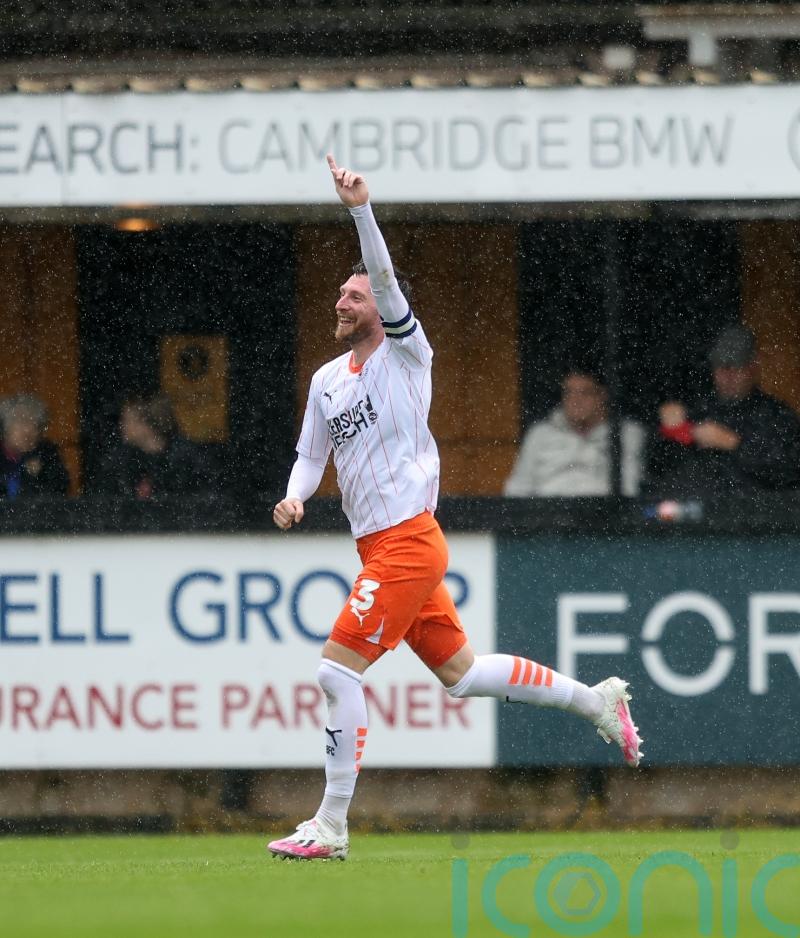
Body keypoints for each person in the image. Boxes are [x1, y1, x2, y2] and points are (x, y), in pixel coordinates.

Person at [267, 156, 642, 862]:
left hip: (409, 538)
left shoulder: (408, 356)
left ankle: (332, 824)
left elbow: (382, 277)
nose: (341, 303)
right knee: (462, 675)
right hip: (380, 548)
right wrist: (294, 494)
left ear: (379, 306)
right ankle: (594, 701)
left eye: (352, 296)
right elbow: (312, 455)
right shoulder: (325, 381)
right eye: (340, 294)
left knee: (335, 671)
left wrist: (360, 209)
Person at [646, 324, 800, 496]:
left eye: (736, 367)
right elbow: (655, 468)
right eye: (721, 367)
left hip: (758, 518)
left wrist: (734, 444)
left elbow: (789, 471)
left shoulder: (777, 415)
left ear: (753, 367)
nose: (728, 376)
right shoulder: (698, 410)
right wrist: (668, 430)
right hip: (702, 518)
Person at [504, 369, 644, 497]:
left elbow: (629, 487)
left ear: (603, 396)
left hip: (602, 515)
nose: (575, 400)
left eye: (585, 392)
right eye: (569, 392)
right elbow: (517, 488)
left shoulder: (626, 433)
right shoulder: (540, 434)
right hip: (547, 516)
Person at [97, 393, 207, 498]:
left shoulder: (185, 461)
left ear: (146, 424)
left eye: (128, 420)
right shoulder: (123, 460)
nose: (121, 426)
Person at [0, 394, 69, 498]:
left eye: (34, 423)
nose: (28, 429)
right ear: (5, 426)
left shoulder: (47, 452)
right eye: (21, 421)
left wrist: (34, 476)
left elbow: (59, 490)